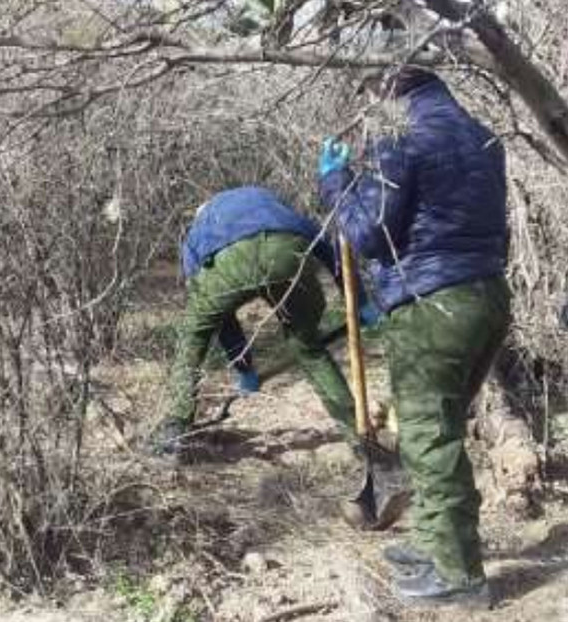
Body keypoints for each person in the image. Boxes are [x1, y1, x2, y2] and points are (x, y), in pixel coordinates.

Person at [318, 67, 511, 608]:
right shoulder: (481, 133)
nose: (369, 106)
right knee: (439, 430)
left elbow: (369, 235)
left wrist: (336, 184)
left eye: (370, 93)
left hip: (434, 306)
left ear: (388, 88)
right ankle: (431, 543)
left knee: (430, 439)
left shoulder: (402, 137)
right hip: (486, 294)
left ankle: (459, 576)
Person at [151, 185, 379, 455]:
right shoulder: (274, 207)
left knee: (194, 335)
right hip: (287, 251)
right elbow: (327, 249)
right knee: (309, 349)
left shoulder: (198, 232)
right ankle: (359, 439)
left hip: (226, 265)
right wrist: (361, 302)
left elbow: (221, 321)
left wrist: (243, 367)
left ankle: (175, 428)